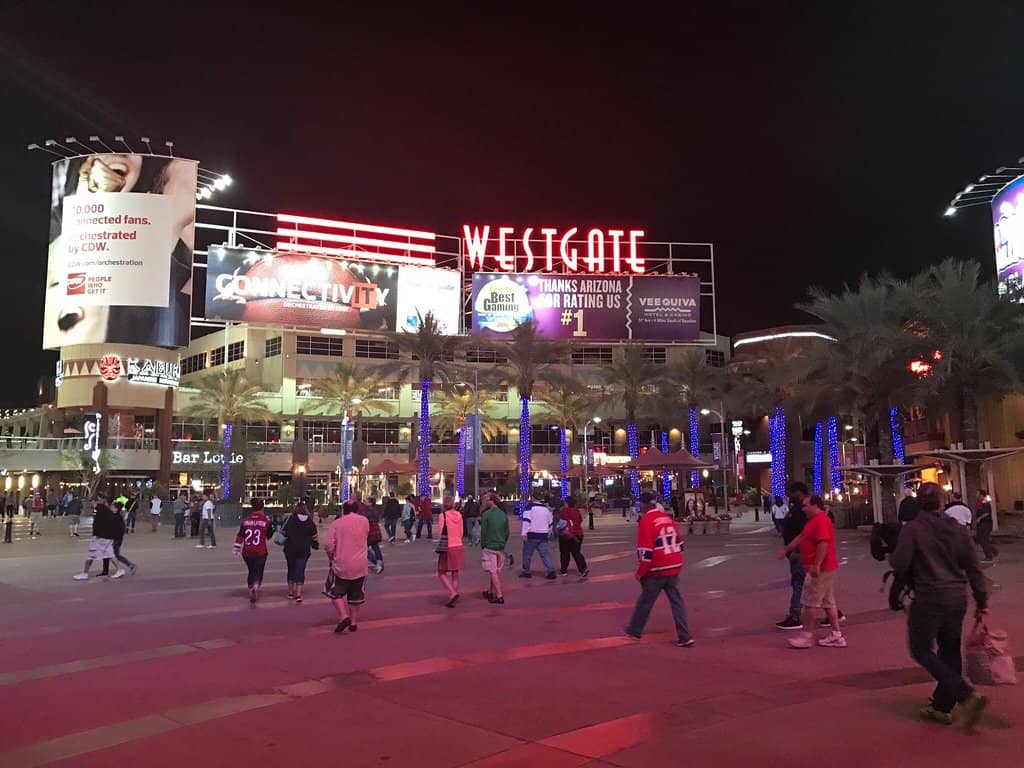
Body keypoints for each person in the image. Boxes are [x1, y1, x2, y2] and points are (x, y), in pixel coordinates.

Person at [891, 482, 990, 729]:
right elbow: (974, 568)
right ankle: (942, 706)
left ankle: (965, 694)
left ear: (918, 503)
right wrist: (982, 602)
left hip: (929, 596)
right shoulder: (957, 529)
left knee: (921, 649)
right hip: (957, 597)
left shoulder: (913, 529)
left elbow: (900, 564)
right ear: (943, 502)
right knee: (949, 649)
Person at [625, 492, 693, 646]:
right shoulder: (667, 518)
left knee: (646, 601)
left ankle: (635, 630)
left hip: (656, 568)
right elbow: (680, 544)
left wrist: (640, 573)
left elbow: (646, 552)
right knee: (677, 602)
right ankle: (685, 636)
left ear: (644, 504)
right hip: (674, 565)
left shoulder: (646, 521)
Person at [778, 494, 846, 649]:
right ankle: (836, 635)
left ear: (815, 505)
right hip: (825, 567)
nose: (803, 508)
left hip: (820, 569)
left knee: (810, 603)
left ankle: (807, 636)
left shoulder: (821, 521)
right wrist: (787, 548)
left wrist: (816, 564)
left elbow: (823, 543)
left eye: (805, 505)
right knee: (828, 603)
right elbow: (802, 537)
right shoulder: (814, 521)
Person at [324, 499, 370, 633]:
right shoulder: (364, 521)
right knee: (355, 595)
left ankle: (344, 616)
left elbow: (328, 545)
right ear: (357, 509)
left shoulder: (337, 523)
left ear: (344, 509)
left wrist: (331, 557)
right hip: (360, 564)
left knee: (335, 592)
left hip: (341, 564)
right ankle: (354, 622)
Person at [73, 494, 124, 580]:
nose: (92, 503)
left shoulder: (101, 508)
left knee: (91, 555)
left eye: (93, 501)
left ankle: (85, 573)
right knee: (110, 554)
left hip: (100, 537)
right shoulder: (107, 510)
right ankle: (119, 569)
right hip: (107, 537)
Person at [234, 499, 272, 603]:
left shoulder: (246, 520)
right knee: (258, 570)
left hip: (247, 552)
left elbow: (240, 535)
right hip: (260, 551)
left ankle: (251, 588)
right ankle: (256, 586)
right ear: (262, 508)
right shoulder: (265, 521)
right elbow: (269, 536)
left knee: (251, 570)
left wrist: (236, 547)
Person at [281, 501, 319, 602]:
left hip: (290, 549)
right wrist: (315, 545)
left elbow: (283, 533)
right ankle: (298, 594)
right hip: (304, 550)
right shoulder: (310, 522)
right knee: (300, 570)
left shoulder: (289, 520)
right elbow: (314, 537)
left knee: (291, 569)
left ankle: (290, 592)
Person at [480, 492, 509, 604]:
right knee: (495, 570)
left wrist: (483, 545)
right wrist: (503, 542)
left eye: (486, 500)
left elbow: (484, 532)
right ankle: (490, 591)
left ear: (490, 501)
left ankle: (499, 595)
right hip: (500, 545)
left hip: (490, 545)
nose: (485, 502)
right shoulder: (503, 514)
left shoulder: (486, 515)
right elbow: (507, 531)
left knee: (493, 571)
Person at [519, 493, 556, 579]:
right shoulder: (547, 509)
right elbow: (550, 523)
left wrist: (524, 533)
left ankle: (526, 571)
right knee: (545, 554)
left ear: (532, 497)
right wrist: (549, 533)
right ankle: (550, 571)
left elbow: (526, 521)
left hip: (532, 534)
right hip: (543, 534)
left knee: (527, 554)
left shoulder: (529, 507)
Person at [436, 497, 465, 607]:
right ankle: (453, 595)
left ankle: (452, 593)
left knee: (441, 572)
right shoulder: (459, 515)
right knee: (455, 573)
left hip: (447, 546)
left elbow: (440, 532)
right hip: (458, 545)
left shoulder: (442, 516)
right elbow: (461, 533)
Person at [557, 495, 589, 577]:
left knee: (564, 553)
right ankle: (583, 568)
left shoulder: (564, 511)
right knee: (576, 552)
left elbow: (560, 524)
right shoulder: (577, 511)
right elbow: (580, 521)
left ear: (566, 503)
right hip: (578, 534)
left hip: (566, 535)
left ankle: (564, 570)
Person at [110, 501, 136, 575]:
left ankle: (124, 568)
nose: (111, 508)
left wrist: (114, 536)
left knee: (113, 555)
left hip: (116, 539)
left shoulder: (117, 517)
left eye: (112, 507)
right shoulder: (114, 516)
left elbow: (121, 529)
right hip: (115, 539)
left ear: (116, 509)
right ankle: (128, 566)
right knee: (114, 555)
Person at [974, 489, 998, 562]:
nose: (976, 495)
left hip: (985, 523)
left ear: (981, 495)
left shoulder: (985, 503)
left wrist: (979, 518)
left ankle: (988, 556)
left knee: (983, 540)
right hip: (981, 524)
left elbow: (986, 513)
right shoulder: (979, 503)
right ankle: (994, 551)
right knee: (980, 538)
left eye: (977, 493)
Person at [365, 500, 385, 574]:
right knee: (376, 548)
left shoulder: (369, 511)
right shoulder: (375, 510)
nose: (365, 502)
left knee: (365, 549)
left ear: (370, 503)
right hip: (375, 531)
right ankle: (379, 563)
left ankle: (377, 563)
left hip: (371, 532)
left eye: (367, 501)